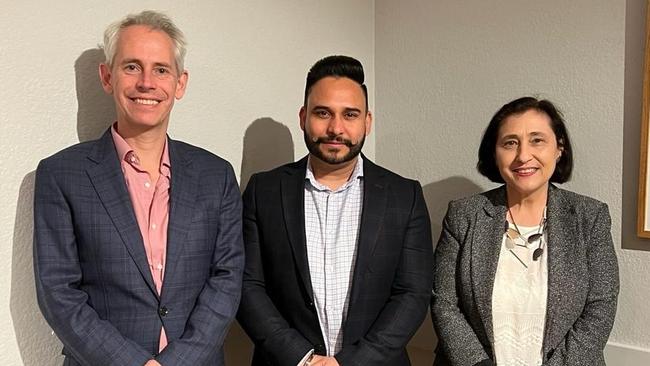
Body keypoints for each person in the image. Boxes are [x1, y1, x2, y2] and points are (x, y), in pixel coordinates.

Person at [33, 11, 243, 366]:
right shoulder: (61, 174)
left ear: (180, 83)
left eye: (161, 69)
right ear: (106, 76)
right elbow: (58, 292)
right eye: (132, 66)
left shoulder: (217, 175)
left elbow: (228, 277)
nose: (147, 82)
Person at [237, 55, 433, 365]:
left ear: (367, 122)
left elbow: (413, 293)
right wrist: (302, 358)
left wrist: (350, 362)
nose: (335, 128)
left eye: (350, 114)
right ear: (303, 117)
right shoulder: (264, 191)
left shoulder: (403, 195)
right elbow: (248, 286)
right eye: (323, 113)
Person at [431, 97, 619, 366]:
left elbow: (601, 306)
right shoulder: (465, 215)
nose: (523, 155)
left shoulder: (589, 217)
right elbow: (445, 303)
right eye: (510, 143)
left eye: (537, 140)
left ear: (559, 149)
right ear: (495, 154)